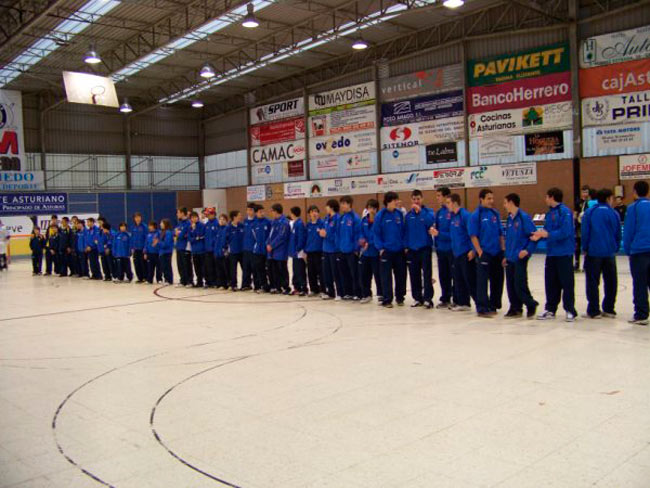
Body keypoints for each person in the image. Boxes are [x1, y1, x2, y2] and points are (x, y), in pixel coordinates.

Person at [532, 187, 578, 322]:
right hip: (551, 253)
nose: (545, 199)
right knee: (551, 282)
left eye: (546, 197)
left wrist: (548, 234)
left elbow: (566, 231)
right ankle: (550, 308)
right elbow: (547, 230)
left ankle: (570, 310)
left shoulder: (565, 212)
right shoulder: (549, 213)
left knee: (567, 283)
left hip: (564, 253)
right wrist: (539, 235)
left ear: (551, 197)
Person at [581, 188, 621, 319]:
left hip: (594, 252)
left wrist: (585, 247)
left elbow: (585, 232)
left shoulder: (590, 212)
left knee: (592, 282)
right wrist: (615, 247)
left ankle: (594, 310)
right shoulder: (614, 213)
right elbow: (618, 233)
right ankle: (609, 308)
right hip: (609, 252)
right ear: (609, 198)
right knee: (611, 282)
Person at [469, 188, 505, 318]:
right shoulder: (476, 215)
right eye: (488, 198)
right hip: (485, 253)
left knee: (497, 280)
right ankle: (482, 307)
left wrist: (503, 250)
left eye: (492, 198)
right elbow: (473, 236)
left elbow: (501, 233)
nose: (491, 201)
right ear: (481, 199)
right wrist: (479, 252)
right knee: (482, 282)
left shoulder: (495, 213)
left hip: (497, 253)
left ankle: (494, 304)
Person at [503, 193, 539, 319]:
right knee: (510, 284)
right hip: (510, 257)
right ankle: (515, 307)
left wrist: (527, 251)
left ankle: (531, 304)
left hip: (520, 256)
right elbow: (508, 239)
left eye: (505, 202)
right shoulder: (509, 219)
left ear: (511, 202)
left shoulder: (524, 218)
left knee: (520, 283)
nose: (504, 205)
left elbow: (534, 237)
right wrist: (506, 256)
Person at [623, 180, 650, 326]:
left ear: (634, 192)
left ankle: (641, 314)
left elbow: (628, 231)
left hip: (639, 251)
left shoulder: (633, 208)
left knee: (640, 284)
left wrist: (628, 250)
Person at [374, 191, 407, 308]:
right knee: (386, 277)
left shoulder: (399, 214)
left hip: (399, 251)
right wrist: (381, 248)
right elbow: (376, 233)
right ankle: (387, 299)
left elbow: (403, 231)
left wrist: (404, 245)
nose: (397, 202)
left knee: (401, 275)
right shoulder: (380, 215)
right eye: (395, 200)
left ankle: (400, 297)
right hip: (386, 251)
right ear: (388, 201)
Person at [404, 189, 435, 309]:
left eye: (418, 199)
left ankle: (428, 299)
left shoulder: (428, 212)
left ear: (422, 199)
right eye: (414, 199)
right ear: (411, 200)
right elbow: (406, 232)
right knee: (414, 274)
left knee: (427, 275)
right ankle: (417, 298)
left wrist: (421, 212)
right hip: (412, 250)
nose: (416, 201)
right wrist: (406, 246)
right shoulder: (408, 216)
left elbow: (430, 223)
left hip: (424, 248)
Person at [448, 193, 475, 312]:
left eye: (448, 203)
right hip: (456, 253)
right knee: (458, 278)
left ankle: (481, 303)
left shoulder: (465, 215)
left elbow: (472, 234)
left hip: (466, 252)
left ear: (454, 203)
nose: (447, 205)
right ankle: (463, 302)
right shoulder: (452, 217)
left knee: (469, 279)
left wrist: (472, 249)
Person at [337, 196, 362, 300]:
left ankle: (357, 293)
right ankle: (348, 292)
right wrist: (339, 247)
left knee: (354, 273)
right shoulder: (342, 218)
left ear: (349, 204)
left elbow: (358, 234)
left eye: (344, 203)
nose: (342, 205)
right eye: (341, 203)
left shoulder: (355, 217)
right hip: (342, 250)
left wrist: (356, 249)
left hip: (352, 251)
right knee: (344, 272)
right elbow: (338, 234)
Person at [433, 187, 454, 309]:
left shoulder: (452, 212)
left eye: (439, 196)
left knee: (454, 275)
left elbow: (453, 233)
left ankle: (456, 298)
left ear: (446, 197)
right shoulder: (439, 213)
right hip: (441, 250)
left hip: (451, 249)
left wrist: (439, 234)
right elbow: (437, 230)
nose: (437, 198)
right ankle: (445, 298)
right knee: (443, 275)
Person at [358, 199, 383, 304]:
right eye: (370, 208)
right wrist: (362, 240)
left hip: (375, 252)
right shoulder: (363, 221)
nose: (371, 210)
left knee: (378, 274)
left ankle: (381, 294)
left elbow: (378, 235)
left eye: (374, 208)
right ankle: (366, 294)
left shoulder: (379, 221)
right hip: (365, 252)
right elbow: (361, 233)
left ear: (377, 209)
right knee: (364, 274)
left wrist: (371, 243)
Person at [266, 203, 291, 294]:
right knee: (274, 269)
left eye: (272, 211)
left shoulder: (284, 222)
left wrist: (272, 245)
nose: (271, 213)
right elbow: (270, 235)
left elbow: (281, 236)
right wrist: (267, 244)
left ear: (276, 211)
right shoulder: (274, 222)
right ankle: (277, 286)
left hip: (281, 250)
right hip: (272, 251)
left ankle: (285, 287)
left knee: (282, 269)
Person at [319, 199, 342, 300]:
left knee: (335, 272)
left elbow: (337, 235)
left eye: (327, 206)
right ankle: (330, 292)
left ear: (331, 207)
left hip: (334, 250)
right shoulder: (326, 218)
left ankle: (339, 292)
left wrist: (327, 235)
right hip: (325, 249)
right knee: (326, 272)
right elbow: (324, 230)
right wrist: (322, 233)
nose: (325, 208)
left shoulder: (338, 219)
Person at [305, 205, 324, 296]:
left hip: (319, 251)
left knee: (320, 271)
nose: (314, 213)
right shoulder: (308, 225)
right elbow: (305, 239)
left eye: (316, 211)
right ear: (309, 214)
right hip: (309, 252)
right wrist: (305, 251)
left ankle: (322, 289)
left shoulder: (322, 224)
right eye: (312, 211)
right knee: (311, 272)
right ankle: (313, 289)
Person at [288, 206, 307, 296]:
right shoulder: (295, 223)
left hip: (299, 252)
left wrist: (298, 249)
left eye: (291, 213)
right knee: (295, 270)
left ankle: (303, 288)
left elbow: (301, 238)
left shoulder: (300, 224)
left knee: (300, 270)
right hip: (294, 252)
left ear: (293, 213)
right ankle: (296, 287)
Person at [251, 206, 271, 293]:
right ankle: (264, 286)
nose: (262, 213)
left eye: (263, 211)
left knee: (270, 269)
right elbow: (254, 237)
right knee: (259, 269)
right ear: (256, 213)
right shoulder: (254, 224)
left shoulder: (268, 222)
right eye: (259, 212)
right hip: (258, 251)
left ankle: (274, 286)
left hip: (267, 250)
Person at [175, 208, 193, 288]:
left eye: (178, 213)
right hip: (179, 246)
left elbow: (183, 234)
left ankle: (189, 281)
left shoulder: (188, 223)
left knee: (187, 264)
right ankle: (183, 280)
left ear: (182, 213)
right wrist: (178, 233)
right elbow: (175, 232)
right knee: (180, 264)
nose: (177, 214)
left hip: (185, 247)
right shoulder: (179, 223)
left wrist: (179, 233)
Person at [227, 210, 245, 291]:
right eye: (239, 215)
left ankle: (245, 284)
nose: (241, 217)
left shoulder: (242, 226)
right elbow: (225, 239)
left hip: (242, 251)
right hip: (233, 252)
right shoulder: (228, 228)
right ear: (234, 217)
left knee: (244, 268)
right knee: (233, 270)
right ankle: (233, 285)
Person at [574, 185, 590, 272]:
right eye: (583, 192)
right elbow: (575, 213)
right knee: (577, 245)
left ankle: (586, 264)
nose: (585, 194)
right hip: (579, 226)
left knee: (586, 245)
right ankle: (576, 263)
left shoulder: (590, 203)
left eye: (586, 192)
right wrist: (576, 221)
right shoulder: (578, 202)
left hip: (586, 226)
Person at [241, 203, 257, 291]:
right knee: (246, 268)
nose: (248, 212)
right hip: (245, 248)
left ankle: (257, 285)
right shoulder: (245, 221)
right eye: (247, 210)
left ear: (254, 211)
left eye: (250, 210)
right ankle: (246, 284)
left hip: (254, 249)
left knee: (254, 267)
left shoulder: (256, 221)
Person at [189, 211, 206, 288]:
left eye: (195, 217)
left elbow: (201, 235)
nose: (193, 219)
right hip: (194, 250)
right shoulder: (190, 227)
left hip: (201, 249)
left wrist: (195, 231)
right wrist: (196, 237)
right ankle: (199, 281)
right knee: (196, 267)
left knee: (203, 266)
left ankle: (205, 281)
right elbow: (190, 238)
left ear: (197, 217)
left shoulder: (202, 225)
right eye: (192, 218)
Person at [203, 208, 219, 288]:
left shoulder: (217, 224)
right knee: (208, 266)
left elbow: (217, 236)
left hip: (214, 249)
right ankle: (209, 281)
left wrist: (213, 244)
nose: (207, 216)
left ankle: (216, 282)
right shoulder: (207, 224)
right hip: (207, 249)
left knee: (215, 266)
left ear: (213, 214)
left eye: (209, 214)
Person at [214, 213, 230, 289]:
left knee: (225, 269)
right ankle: (221, 283)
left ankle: (227, 283)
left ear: (226, 221)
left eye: (223, 219)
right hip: (217, 252)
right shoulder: (218, 229)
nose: (221, 221)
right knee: (219, 269)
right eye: (220, 219)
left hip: (224, 253)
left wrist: (225, 250)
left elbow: (227, 241)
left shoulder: (227, 229)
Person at [130, 212, 147, 283]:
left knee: (143, 263)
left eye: (138, 217)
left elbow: (146, 238)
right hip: (135, 249)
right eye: (136, 217)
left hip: (142, 249)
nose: (137, 219)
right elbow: (132, 238)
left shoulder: (144, 227)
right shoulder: (133, 227)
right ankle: (139, 278)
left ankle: (145, 277)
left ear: (141, 218)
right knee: (136, 263)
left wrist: (145, 248)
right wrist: (132, 247)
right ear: (134, 218)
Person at [158, 219, 174, 284]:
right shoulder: (162, 232)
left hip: (167, 252)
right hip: (162, 252)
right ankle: (166, 278)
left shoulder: (168, 232)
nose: (160, 224)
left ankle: (169, 279)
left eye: (161, 223)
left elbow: (166, 243)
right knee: (164, 266)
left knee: (167, 266)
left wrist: (159, 243)